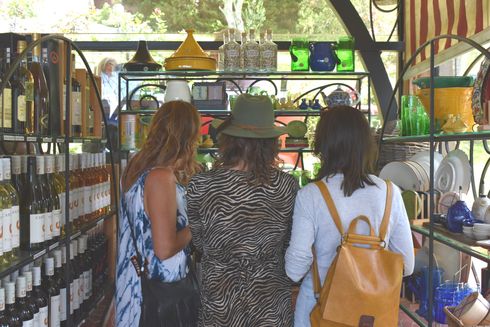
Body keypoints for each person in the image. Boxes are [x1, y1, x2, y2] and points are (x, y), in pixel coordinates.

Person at [285, 106, 415, 327]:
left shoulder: (311, 195)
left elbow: (295, 270)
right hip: (372, 315)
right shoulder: (391, 192)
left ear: (324, 146)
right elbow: (406, 265)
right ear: (366, 144)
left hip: (319, 310)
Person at [187, 94, 299, 326]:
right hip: (269, 297)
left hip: (220, 298)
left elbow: (198, 241)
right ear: (271, 143)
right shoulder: (287, 186)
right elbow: (289, 242)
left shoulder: (201, 184)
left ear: (228, 140)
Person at [115, 101, 201, 327]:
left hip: (136, 287)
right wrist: (197, 225)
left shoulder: (135, 168)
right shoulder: (161, 177)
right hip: (160, 296)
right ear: (188, 136)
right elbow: (164, 249)